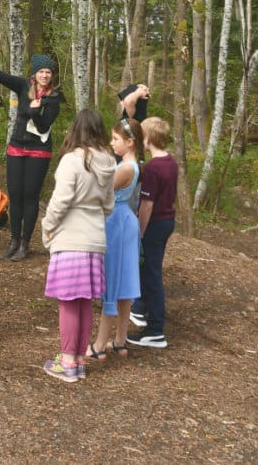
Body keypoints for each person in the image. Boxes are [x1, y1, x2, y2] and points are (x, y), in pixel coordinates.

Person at [0, 48, 61, 260]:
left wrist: (35, 111)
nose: (45, 75)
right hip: (16, 147)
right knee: (15, 195)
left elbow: (43, 127)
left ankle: (25, 243)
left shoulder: (53, 98)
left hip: (39, 150)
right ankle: (14, 240)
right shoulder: (23, 86)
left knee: (30, 196)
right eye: (41, 71)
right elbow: (0, 76)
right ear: (34, 74)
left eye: (49, 72)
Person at [41, 109, 115, 382]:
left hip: (71, 238)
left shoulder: (72, 161)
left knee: (69, 302)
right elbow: (108, 205)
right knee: (84, 301)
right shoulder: (109, 161)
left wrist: (47, 227)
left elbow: (60, 202)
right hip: (95, 239)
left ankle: (69, 362)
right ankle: (79, 359)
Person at [87, 117, 143, 362]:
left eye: (116, 139)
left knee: (113, 282)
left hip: (117, 223)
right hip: (124, 221)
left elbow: (101, 191)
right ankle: (120, 341)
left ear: (130, 142)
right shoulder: (130, 165)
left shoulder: (127, 168)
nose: (112, 143)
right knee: (124, 283)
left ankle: (100, 344)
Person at [127, 116, 178, 350]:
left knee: (151, 274)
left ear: (147, 140)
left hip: (155, 224)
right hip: (168, 220)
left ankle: (156, 329)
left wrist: (139, 232)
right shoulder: (171, 162)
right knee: (150, 269)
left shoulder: (153, 168)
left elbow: (147, 205)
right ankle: (141, 310)